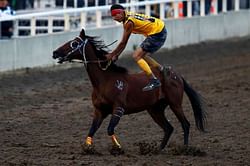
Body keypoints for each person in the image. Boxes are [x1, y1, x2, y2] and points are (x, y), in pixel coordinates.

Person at [106, 4, 167, 91]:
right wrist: (117, 55)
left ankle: (154, 80)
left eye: (115, 15)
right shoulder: (128, 15)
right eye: (112, 16)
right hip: (159, 29)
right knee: (142, 55)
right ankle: (162, 70)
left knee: (136, 56)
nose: (114, 18)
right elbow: (123, 44)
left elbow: (123, 43)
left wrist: (112, 54)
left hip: (157, 33)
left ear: (121, 13)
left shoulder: (129, 23)